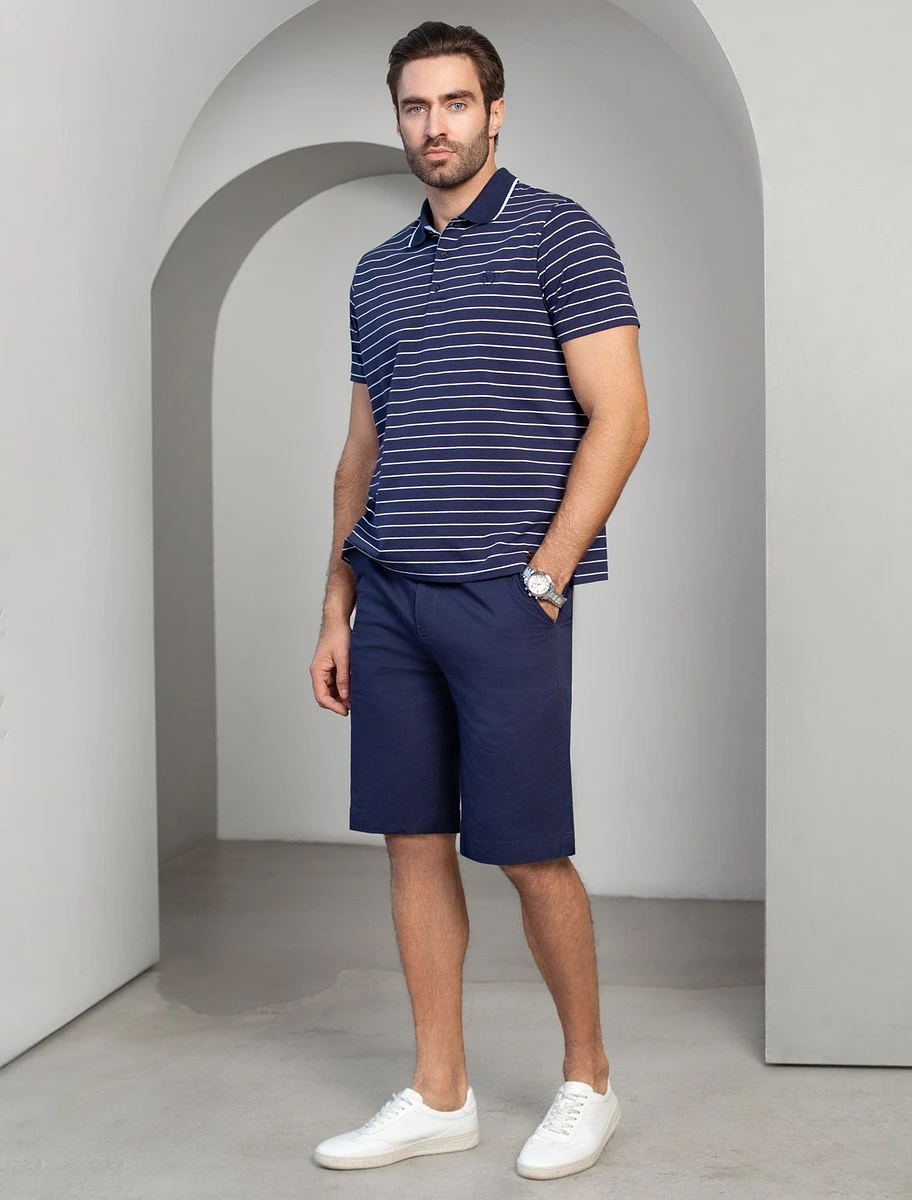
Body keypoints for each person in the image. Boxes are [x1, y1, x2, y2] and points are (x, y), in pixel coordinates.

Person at [309, 19, 649, 1182]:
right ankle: (440, 1092)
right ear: (398, 118)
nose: (435, 125)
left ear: (494, 112)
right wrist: (336, 605)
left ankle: (589, 1081)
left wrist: (547, 572)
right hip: (392, 598)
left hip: (505, 598)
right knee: (412, 842)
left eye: (455, 103)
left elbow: (623, 415)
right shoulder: (378, 271)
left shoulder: (563, 234)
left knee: (530, 850)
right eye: (415, 106)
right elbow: (362, 450)